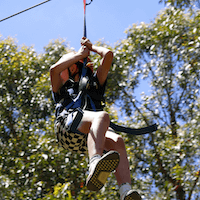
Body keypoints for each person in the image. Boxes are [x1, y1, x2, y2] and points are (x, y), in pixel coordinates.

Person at [50, 37, 142, 200]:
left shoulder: (95, 84)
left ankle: (125, 191)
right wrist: (79, 54)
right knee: (102, 116)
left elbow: (108, 55)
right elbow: (54, 69)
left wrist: (92, 48)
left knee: (117, 141)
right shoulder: (63, 87)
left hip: (87, 138)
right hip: (67, 127)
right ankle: (94, 164)